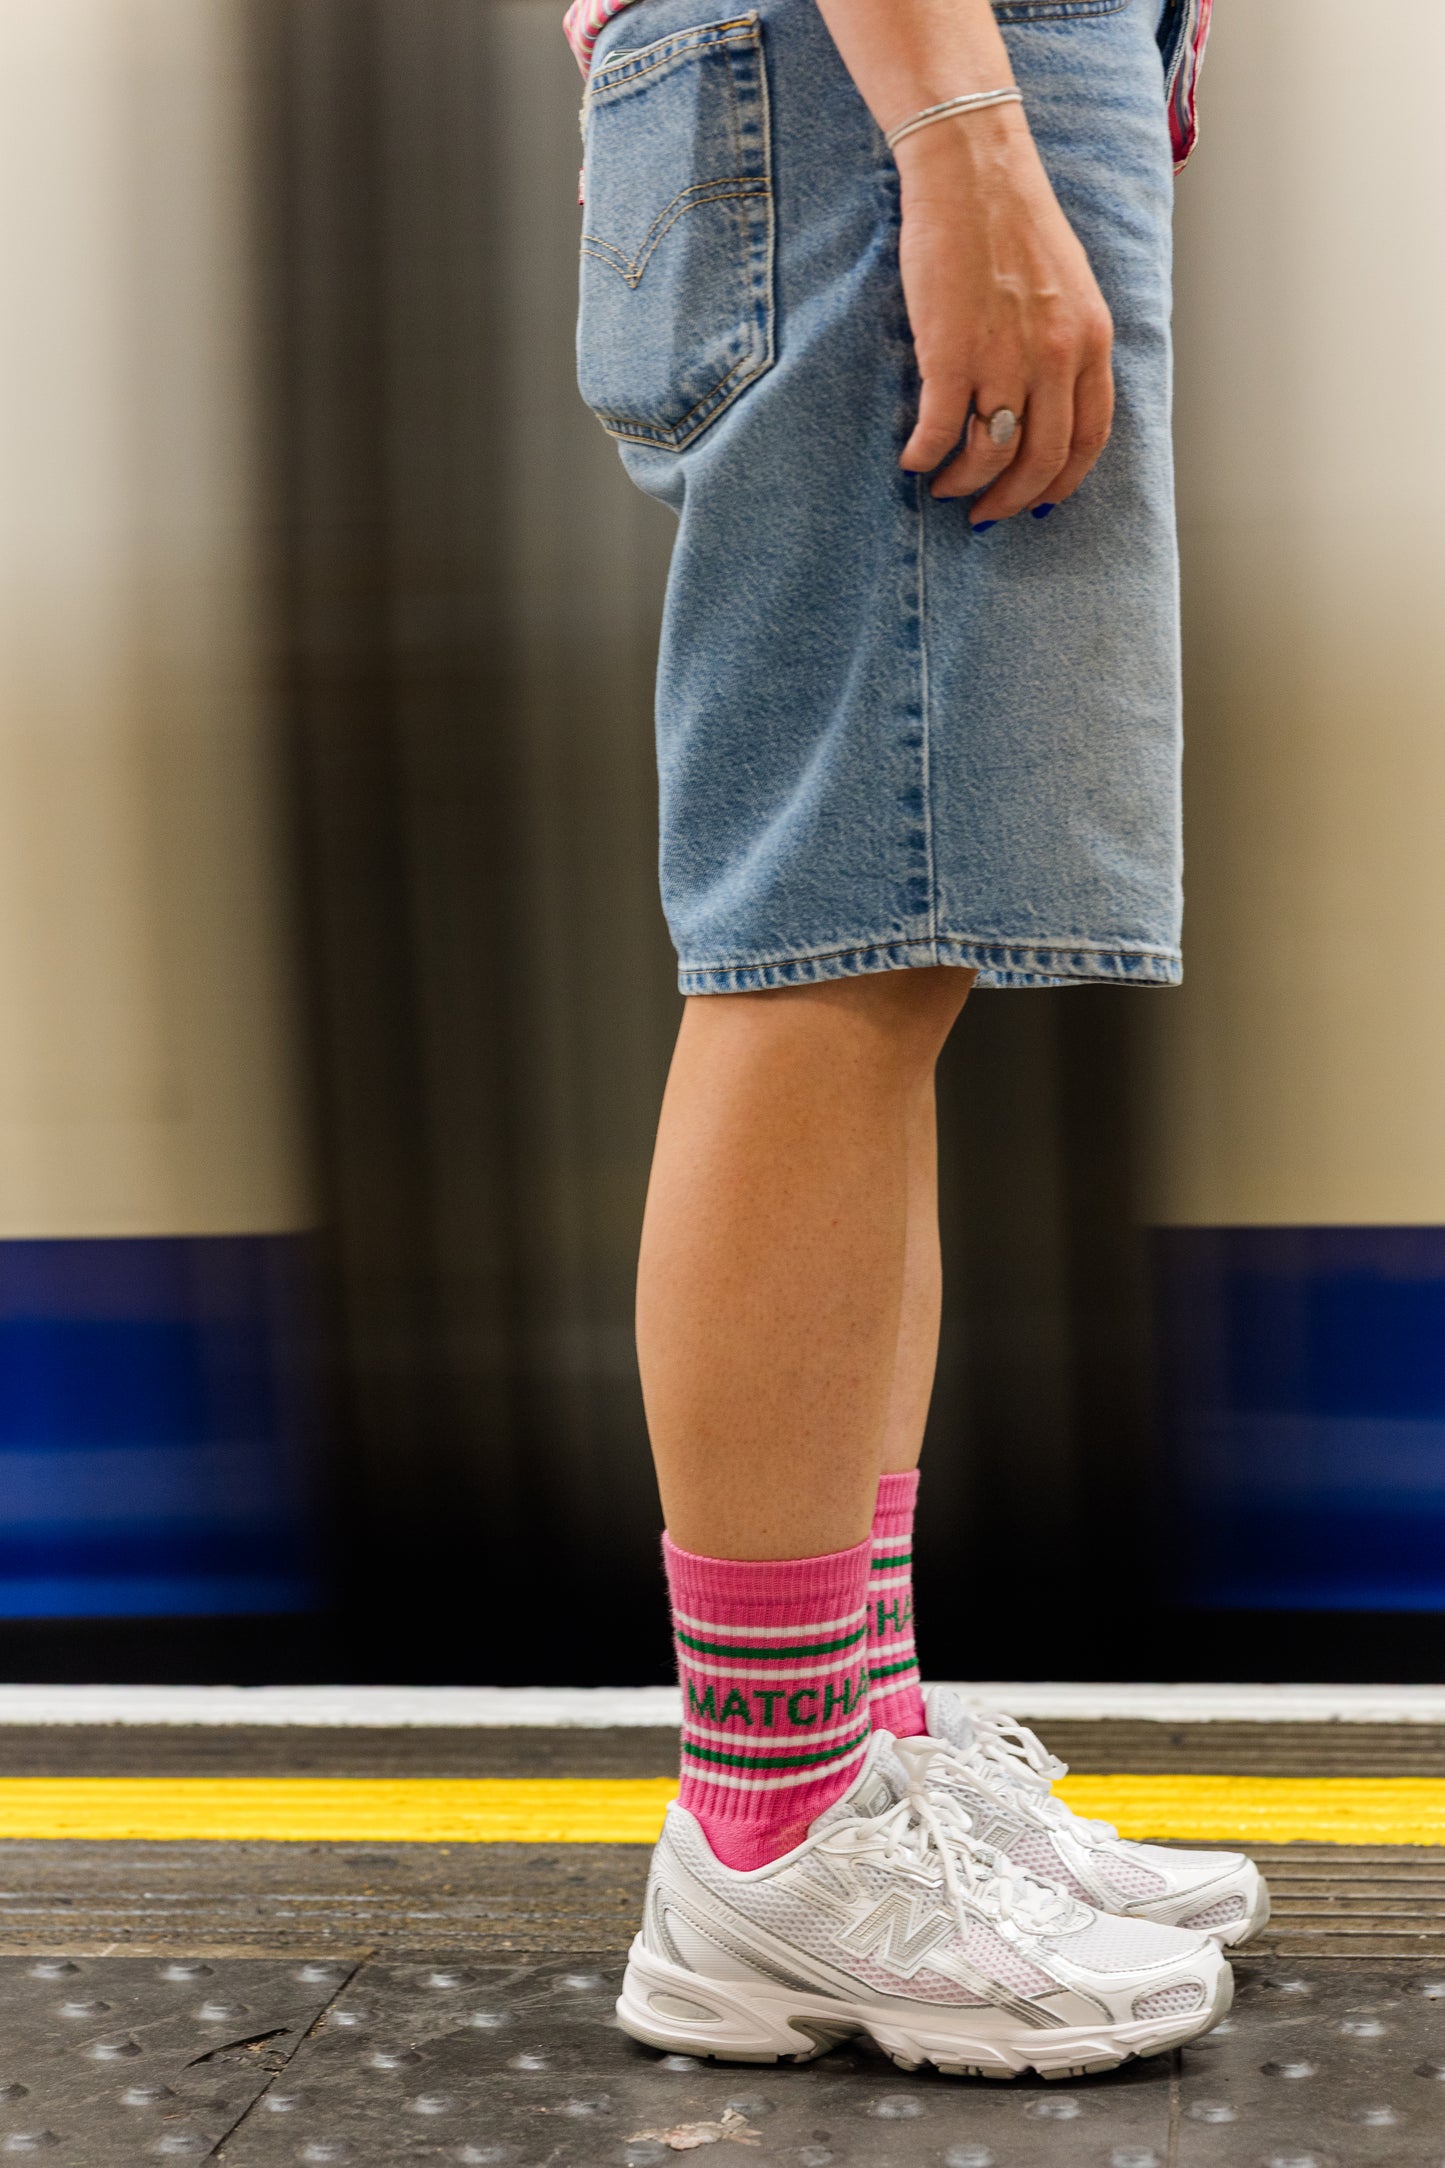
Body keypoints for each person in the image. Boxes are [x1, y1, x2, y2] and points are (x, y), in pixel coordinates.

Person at [569, 0, 1265, 2079]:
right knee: (833, 934)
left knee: (897, 938)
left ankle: (855, 1750)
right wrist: (960, 129)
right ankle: (773, 1827)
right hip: (899, 70)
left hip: (901, 72)